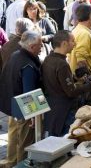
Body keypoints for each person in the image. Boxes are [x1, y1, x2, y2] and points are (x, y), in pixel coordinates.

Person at [42, 30, 91, 136]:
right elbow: (70, 92)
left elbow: (58, 82)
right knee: (66, 139)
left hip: (52, 107)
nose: (75, 44)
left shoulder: (48, 59)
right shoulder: (62, 64)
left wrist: (74, 79)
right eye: (73, 41)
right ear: (64, 43)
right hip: (63, 110)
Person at [0, 31, 42, 167]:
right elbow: (28, 92)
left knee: (13, 136)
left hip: (12, 104)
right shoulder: (28, 65)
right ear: (32, 46)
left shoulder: (15, 55)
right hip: (23, 109)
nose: (42, 47)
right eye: (39, 45)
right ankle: (20, 165)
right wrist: (32, 116)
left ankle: (10, 162)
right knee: (25, 143)